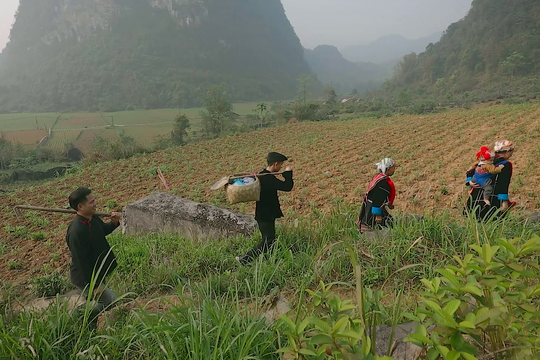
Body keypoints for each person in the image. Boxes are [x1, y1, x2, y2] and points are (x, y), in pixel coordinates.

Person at [66, 187, 122, 326]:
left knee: (102, 302)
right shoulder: (76, 232)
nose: (95, 203)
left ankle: (89, 322)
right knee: (110, 301)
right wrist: (94, 285)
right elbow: (81, 262)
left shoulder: (93, 218)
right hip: (86, 278)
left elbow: (102, 231)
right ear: (80, 206)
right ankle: (78, 316)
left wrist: (114, 223)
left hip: (97, 272)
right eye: (92, 202)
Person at [236, 152, 294, 264]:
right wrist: (288, 173)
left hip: (264, 213)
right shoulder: (268, 178)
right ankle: (245, 259)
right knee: (268, 240)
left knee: (270, 240)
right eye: (280, 165)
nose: (281, 167)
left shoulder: (263, 175)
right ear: (275, 164)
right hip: (265, 214)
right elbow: (287, 187)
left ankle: (272, 261)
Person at [465, 140, 515, 220]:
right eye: (512, 151)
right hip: (491, 198)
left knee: (475, 221)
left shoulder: (486, 159)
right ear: (507, 152)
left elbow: (469, 171)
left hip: (474, 197)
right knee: (492, 222)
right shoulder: (505, 165)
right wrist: (504, 201)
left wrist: (470, 181)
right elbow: (502, 184)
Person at [357, 158, 396, 233]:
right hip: (373, 210)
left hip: (370, 207)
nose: (394, 170)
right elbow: (377, 198)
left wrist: (389, 204)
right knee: (386, 225)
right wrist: (377, 214)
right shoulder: (383, 183)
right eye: (393, 168)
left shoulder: (378, 178)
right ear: (388, 168)